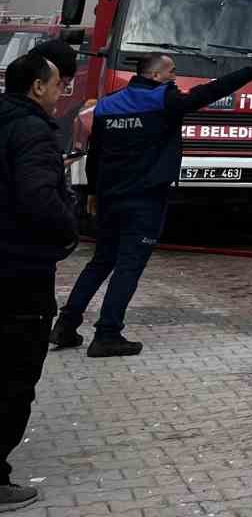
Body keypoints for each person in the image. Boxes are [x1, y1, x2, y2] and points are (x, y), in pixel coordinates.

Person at [52, 49, 252, 357]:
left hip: (110, 197)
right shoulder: (164, 101)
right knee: (129, 265)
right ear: (154, 76)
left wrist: (94, 193)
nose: (175, 77)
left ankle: (66, 326)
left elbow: (96, 155)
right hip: (145, 198)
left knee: (101, 261)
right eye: (171, 72)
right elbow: (211, 91)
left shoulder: (107, 106)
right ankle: (107, 334)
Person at [0, 52, 77, 512]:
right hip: (19, 274)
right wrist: (69, 227)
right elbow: (39, 199)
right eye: (57, 85)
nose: (61, 91)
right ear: (37, 89)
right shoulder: (33, 133)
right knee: (14, 374)